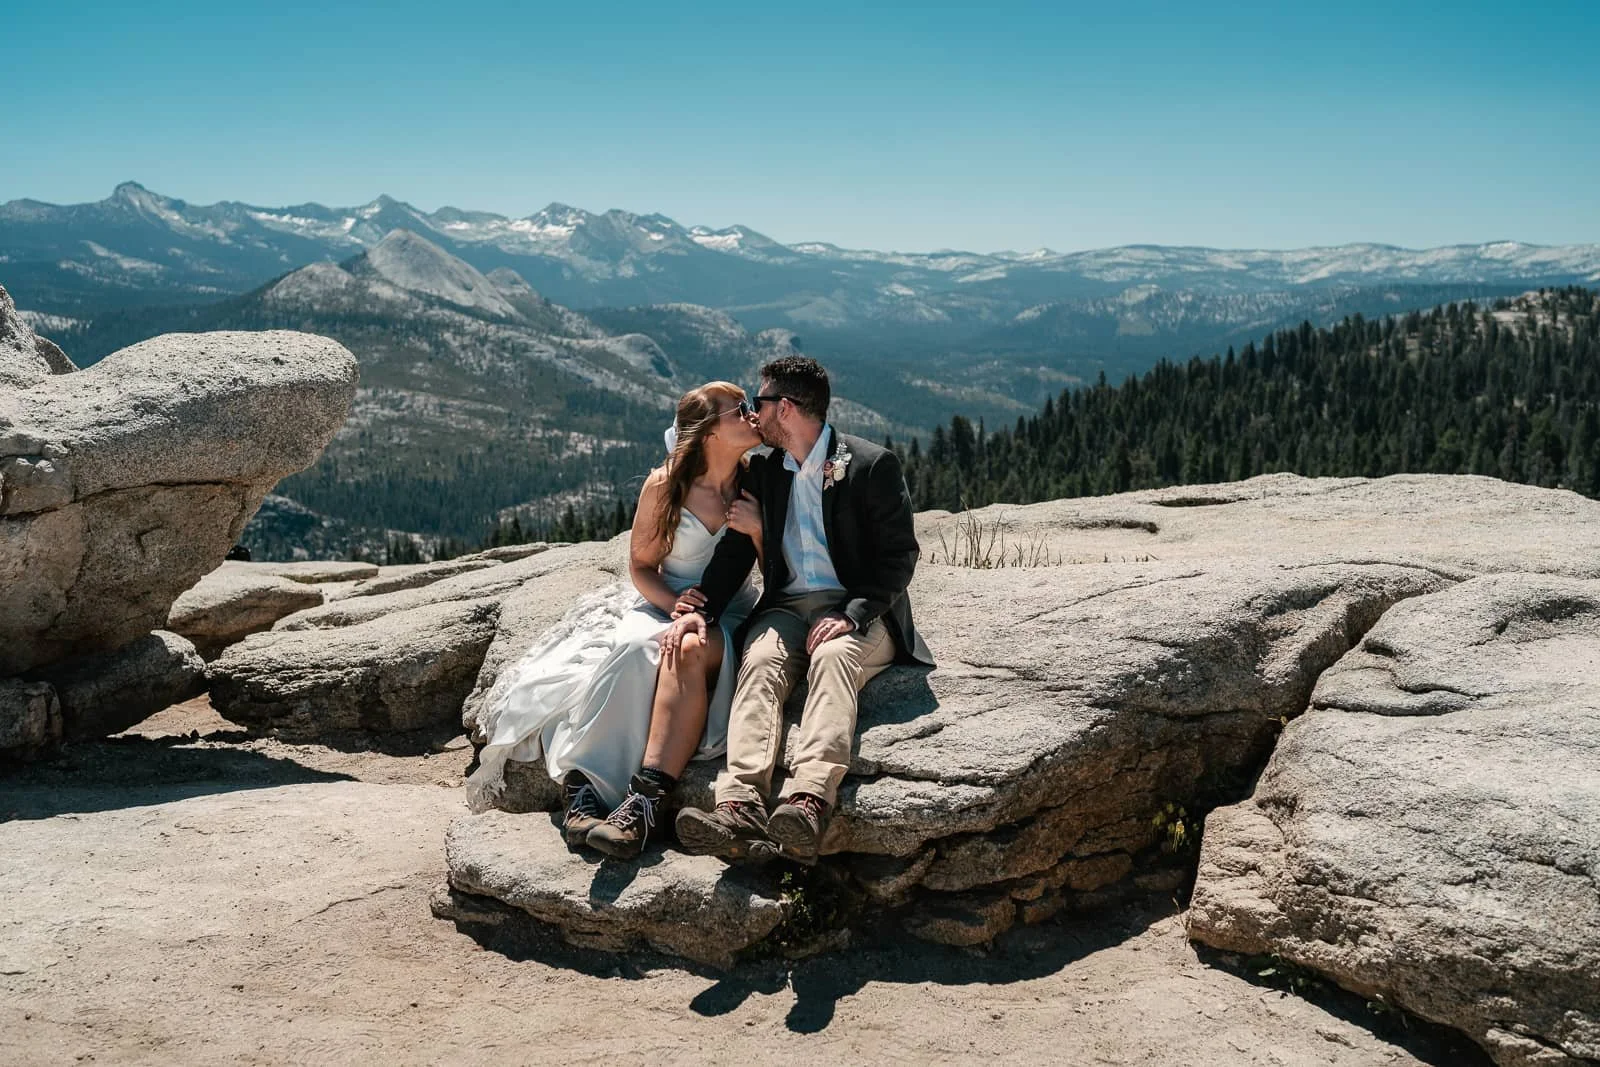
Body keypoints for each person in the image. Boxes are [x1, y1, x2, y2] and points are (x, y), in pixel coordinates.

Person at [465, 382, 763, 859]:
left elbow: (775, 567)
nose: (752, 415)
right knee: (634, 651)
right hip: (665, 600)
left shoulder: (757, 482)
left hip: (729, 610)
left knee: (678, 650)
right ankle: (583, 792)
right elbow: (642, 567)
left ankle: (639, 805)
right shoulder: (665, 486)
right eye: (739, 410)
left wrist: (758, 530)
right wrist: (673, 606)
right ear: (708, 434)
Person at [667, 356, 934, 865]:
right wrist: (702, 605)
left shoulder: (870, 464)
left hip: (859, 610)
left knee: (834, 658)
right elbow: (737, 550)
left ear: (784, 409)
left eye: (759, 402)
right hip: (787, 607)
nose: (753, 413)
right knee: (761, 659)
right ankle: (739, 805)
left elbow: (899, 557)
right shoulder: (766, 470)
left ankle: (808, 799)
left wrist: (854, 613)